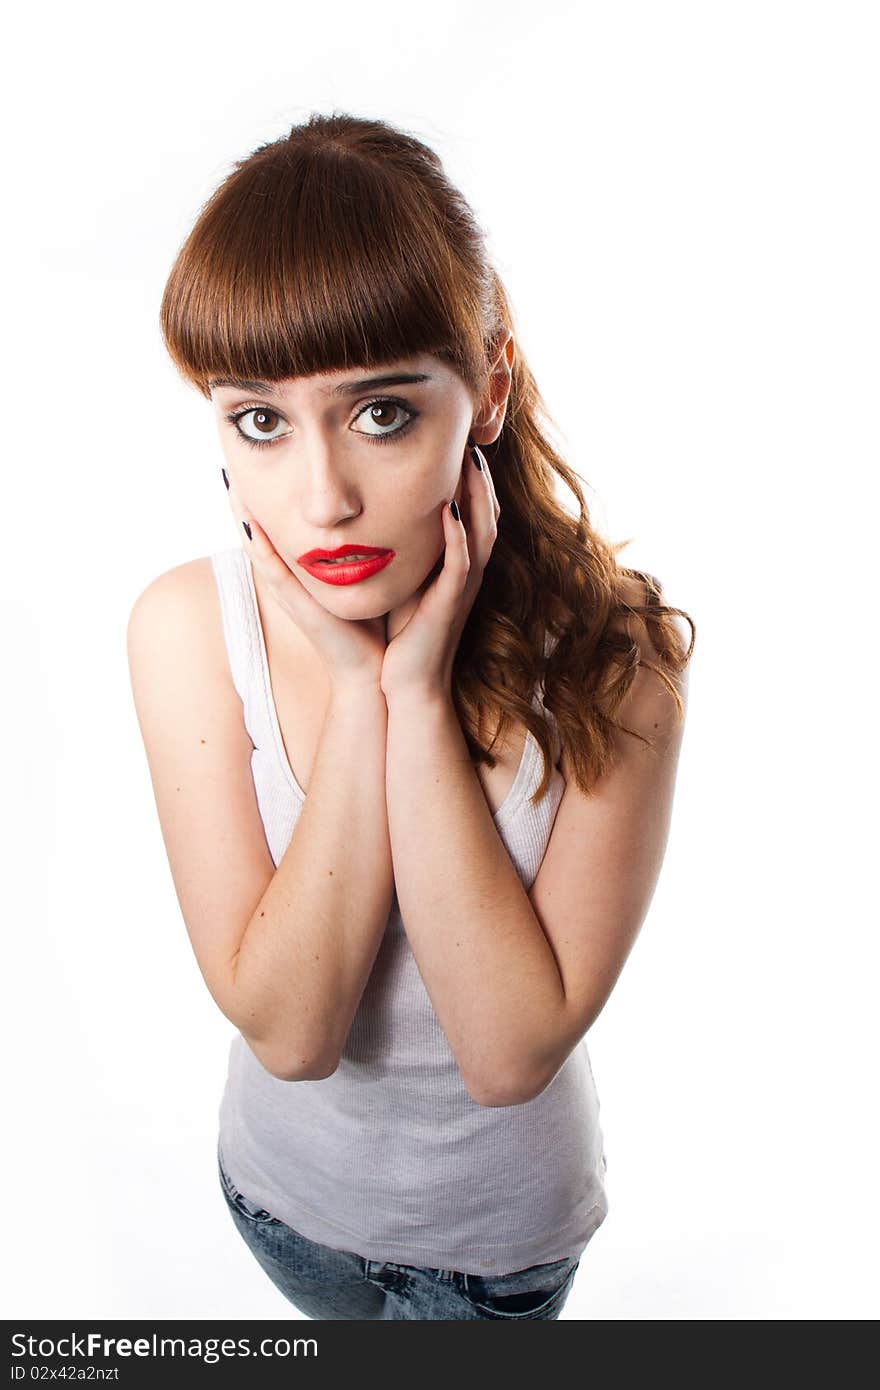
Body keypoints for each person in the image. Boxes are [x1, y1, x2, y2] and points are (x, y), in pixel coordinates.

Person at [127, 111, 695, 1321]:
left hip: (500, 1246)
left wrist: (412, 687)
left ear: (486, 387)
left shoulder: (614, 657)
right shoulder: (186, 629)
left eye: (380, 412)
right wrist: (351, 685)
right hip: (283, 1206)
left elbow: (506, 1054)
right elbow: (289, 1034)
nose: (322, 497)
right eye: (260, 420)